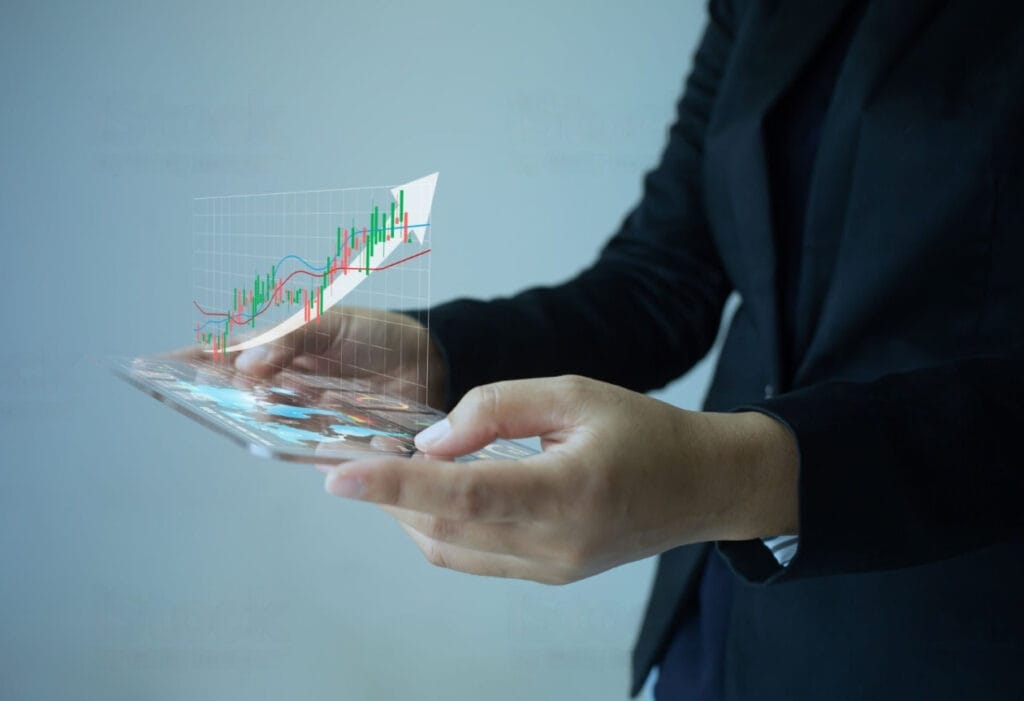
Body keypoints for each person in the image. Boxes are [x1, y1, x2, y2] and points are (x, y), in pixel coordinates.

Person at [227, 1, 1024, 698]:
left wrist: (737, 474)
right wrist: (434, 353)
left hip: (956, 639)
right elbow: (664, 275)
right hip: (716, 629)